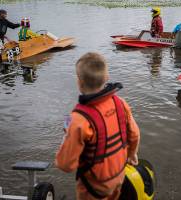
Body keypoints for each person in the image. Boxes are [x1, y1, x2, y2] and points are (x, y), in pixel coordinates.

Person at [55, 52, 140, 200]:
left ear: (79, 82)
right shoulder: (120, 103)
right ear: (106, 78)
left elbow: (66, 165)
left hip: (93, 188)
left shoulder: (78, 119)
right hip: (118, 177)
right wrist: (132, 154)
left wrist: (68, 134)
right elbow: (134, 134)